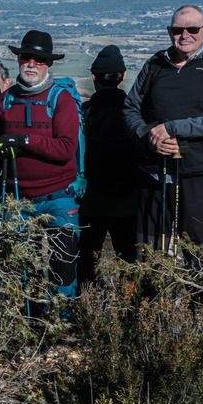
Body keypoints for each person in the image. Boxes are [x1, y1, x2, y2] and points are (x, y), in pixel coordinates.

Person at [123, 5, 203, 251]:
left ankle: (196, 291)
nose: (184, 35)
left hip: (200, 173)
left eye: (192, 29)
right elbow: (130, 108)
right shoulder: (155, 64)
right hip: (153, 172)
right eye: (177, 30)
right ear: (169, 32)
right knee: (149, 250)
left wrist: (172, 129)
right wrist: (149, 137)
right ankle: (154, 291)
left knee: (196, 249)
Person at [0, 31, 84, 302]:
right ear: (18, 60)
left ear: (48, 64)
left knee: (62, 268)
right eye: (26, 57)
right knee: (17, 268)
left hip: (58, 197)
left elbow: (65, 149)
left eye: (39, 59)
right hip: (17, 199)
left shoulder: (61, 100)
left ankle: (62, 328)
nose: (31, 63)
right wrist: (2, 146)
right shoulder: (6, 100)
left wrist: (25, 140)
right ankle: (23, 326)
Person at [79, 45, 140, 283]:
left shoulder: (85, 112)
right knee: (129, 262)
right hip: (127, 200)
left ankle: (83, 308)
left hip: (92, 199)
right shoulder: (133, 114)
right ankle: (133, 311)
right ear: (122, 76)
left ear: (94, 78)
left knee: (86, 261)